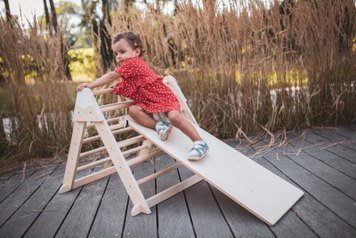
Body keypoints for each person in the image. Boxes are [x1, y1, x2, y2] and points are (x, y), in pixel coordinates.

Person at [77, 31, 209, 161]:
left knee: (174, 117)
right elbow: (130, 84)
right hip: (149, 104)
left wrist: (92, 85)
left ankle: (199, 143)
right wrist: (117, 87)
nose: (118, 56)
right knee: (133, 110)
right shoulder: (130, 68)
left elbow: (111, 76)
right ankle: (159, 126)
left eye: (122, 52)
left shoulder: (133, 63)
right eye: (116, 53)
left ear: (136, 52)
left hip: (163, 98)